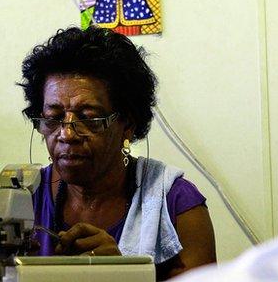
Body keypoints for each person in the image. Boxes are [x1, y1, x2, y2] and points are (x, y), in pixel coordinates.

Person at [19, 26, 216, 280]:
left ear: (128, 124)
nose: (66, 134)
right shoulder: (24, 199)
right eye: (54, 118)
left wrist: (123, 274)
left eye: (88, 118)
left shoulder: (177, 206)